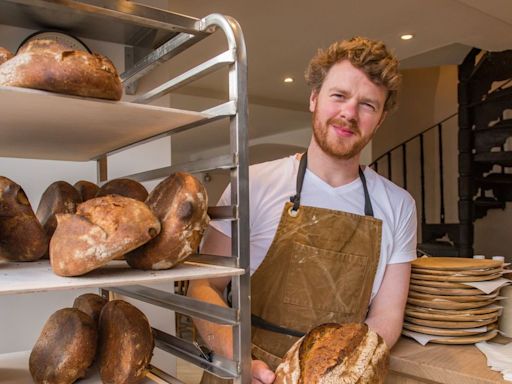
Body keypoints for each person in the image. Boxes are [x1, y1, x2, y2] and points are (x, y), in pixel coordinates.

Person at [188, 36, 417, 384]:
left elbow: (386, 317)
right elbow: (204, 287)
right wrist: (241, 362)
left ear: (380, 119)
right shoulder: (252, 185)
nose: (349, 114)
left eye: (368, 105)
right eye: (338, 96)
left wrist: (339, 377)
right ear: (314, 98)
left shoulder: (399, 206)